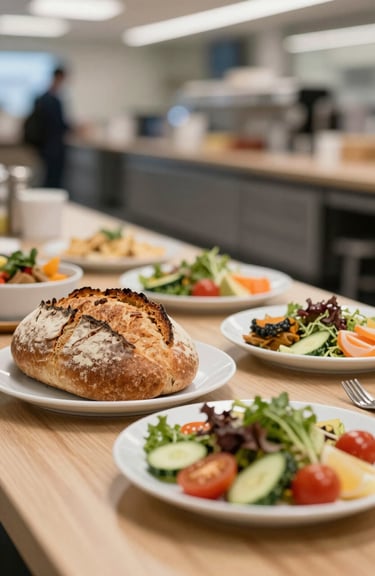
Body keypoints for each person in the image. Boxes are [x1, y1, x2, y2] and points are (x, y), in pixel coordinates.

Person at [26, 66, 71, 188]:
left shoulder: (42, 98)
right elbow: (59, 125)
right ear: (60, 77)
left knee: (46, 178)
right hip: (53, 147)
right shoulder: (53, 101)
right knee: (52, 181)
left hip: (44, 147)